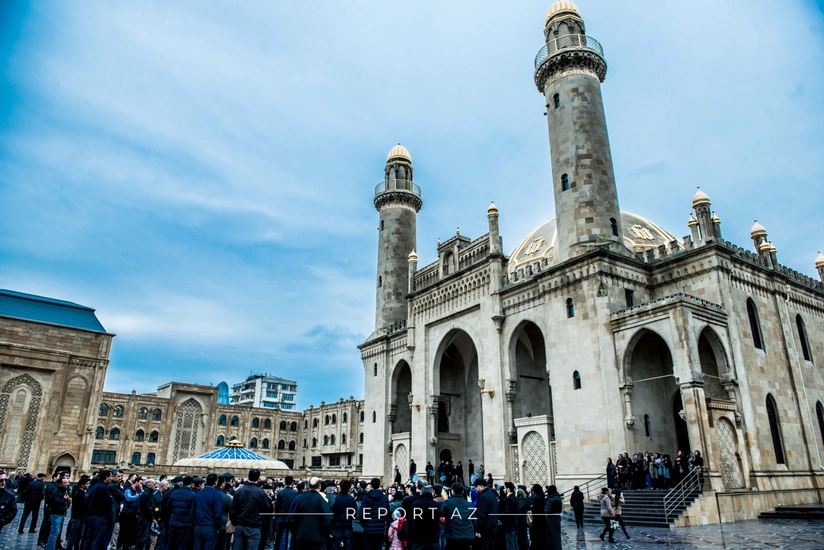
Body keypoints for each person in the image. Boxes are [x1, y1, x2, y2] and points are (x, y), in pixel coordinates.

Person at [231, 469, 274, 550]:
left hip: (240, 524)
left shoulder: (239, 491)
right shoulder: (260, 492)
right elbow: (267, 508)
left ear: (248, 477)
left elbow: (233, 509)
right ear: (258, 479)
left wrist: (234, 521)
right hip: (253, 525)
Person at [290, 477, 331, 550]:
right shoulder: (321, 500)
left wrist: (297, 532)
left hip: (302, 537)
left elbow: (292, 518)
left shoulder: (301, 499)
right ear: (319, 486)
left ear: (308, 486)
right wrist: (327, 532)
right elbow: (327, 519)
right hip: (317, 538)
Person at [85, 470, 115, 550]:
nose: (111, 478)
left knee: (90, 538)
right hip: (100, 516)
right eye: (110, 476)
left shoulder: (96, 486)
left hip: (92, 515)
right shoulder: (103, 487)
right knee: (98, 539)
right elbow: (108, 502)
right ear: (106, 477)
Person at [193, 473, 224, 550]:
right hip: (210, 526)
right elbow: (218, 513)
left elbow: (193, 511)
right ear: (215, 482)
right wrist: (218, 526)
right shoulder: (216, 495)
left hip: (198, 526)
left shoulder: (198, 494)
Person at [359, 478, 389, 550]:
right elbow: (387, 513)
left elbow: (361, 513)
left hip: (368, 527)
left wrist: (364, 524)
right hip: (380, 528)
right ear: (379, 485)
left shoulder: (366, 497)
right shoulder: (384, 497)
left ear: (371, 485)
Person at [167, 476, 196, 550]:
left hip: (173, 522)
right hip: (185, 524)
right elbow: (193, 510)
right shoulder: (192, 495)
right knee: (182, 545)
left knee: (171, 544)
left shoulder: (174, 493)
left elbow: (168, 508)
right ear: (191, 484)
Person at [442, 483, 473, 550]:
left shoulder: (447, 502)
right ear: (462, 491)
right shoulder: (469, 504)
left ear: (452, 491)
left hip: (452, 534)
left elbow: (441, 514)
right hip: (467, 534)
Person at [410, 485, 440, 550]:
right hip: (433, 537)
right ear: (432, 493)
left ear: (421, 493)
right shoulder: (435, 504)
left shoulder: (415, 504)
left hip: (418, 537)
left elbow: (412, 520)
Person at [45, 476, 71, 550]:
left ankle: (52, 546)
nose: (67, 484)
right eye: (64, 482)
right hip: (56, 513)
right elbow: (56, 502)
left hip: (61, 513)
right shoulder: (56, 491)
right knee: (55, 532)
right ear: (59, 484)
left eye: (67, 482)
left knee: (57, 532)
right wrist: (64, 499)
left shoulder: (64, 491)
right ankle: (50, 548)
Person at [331, 480, 356, 550]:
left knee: (335, 546)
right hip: (348, 525)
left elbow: (332, 513)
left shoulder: (335, 499)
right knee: (348, 547)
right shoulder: (352, 500)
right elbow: (355, 512)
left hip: (337, 526)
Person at [66, 475, 89, 550]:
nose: (88, 485)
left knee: (78, 536)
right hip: (77, 517)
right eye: (87, 484)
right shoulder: (79, 494)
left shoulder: (82, 493)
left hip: (80, 517)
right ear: (82, 485)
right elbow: (81, 507)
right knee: (73, 535)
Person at [473, 479, 497, 550]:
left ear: (480, 486)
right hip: (492, 527)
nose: (475, 489)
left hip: (485, 529)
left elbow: (481, 515)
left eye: (476, 487)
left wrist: (478, 530)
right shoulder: (491, 494)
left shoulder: (483, 497)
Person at [275, 476, 296, 550]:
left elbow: (277, 505)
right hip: (289, 517)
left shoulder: (280, 492)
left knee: (278, 536)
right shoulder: (294, 492)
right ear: (292, 482)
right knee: (288, 536)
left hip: (280, 516)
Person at [136, 479, 156, 550]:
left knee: (144, 535)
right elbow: (147, 508)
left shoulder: (149, 493)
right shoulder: (146, 494)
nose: (155, 486)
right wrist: (152, 517)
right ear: (149, 485)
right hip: (144, 517)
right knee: (142, 536)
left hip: (145, 517)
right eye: (153, 484)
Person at [0, 471, 18, 537]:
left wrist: (2, 521)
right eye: (1, 480)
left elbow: (13, 511)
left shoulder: (9, 495)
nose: (3, 482)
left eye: (5, 480)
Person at [543, 485, 561, 550]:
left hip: (551, 519)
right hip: (557, 518)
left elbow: (546, 511)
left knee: (551, 536)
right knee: (557, 536)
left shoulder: (549, 500)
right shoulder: (558, 498)